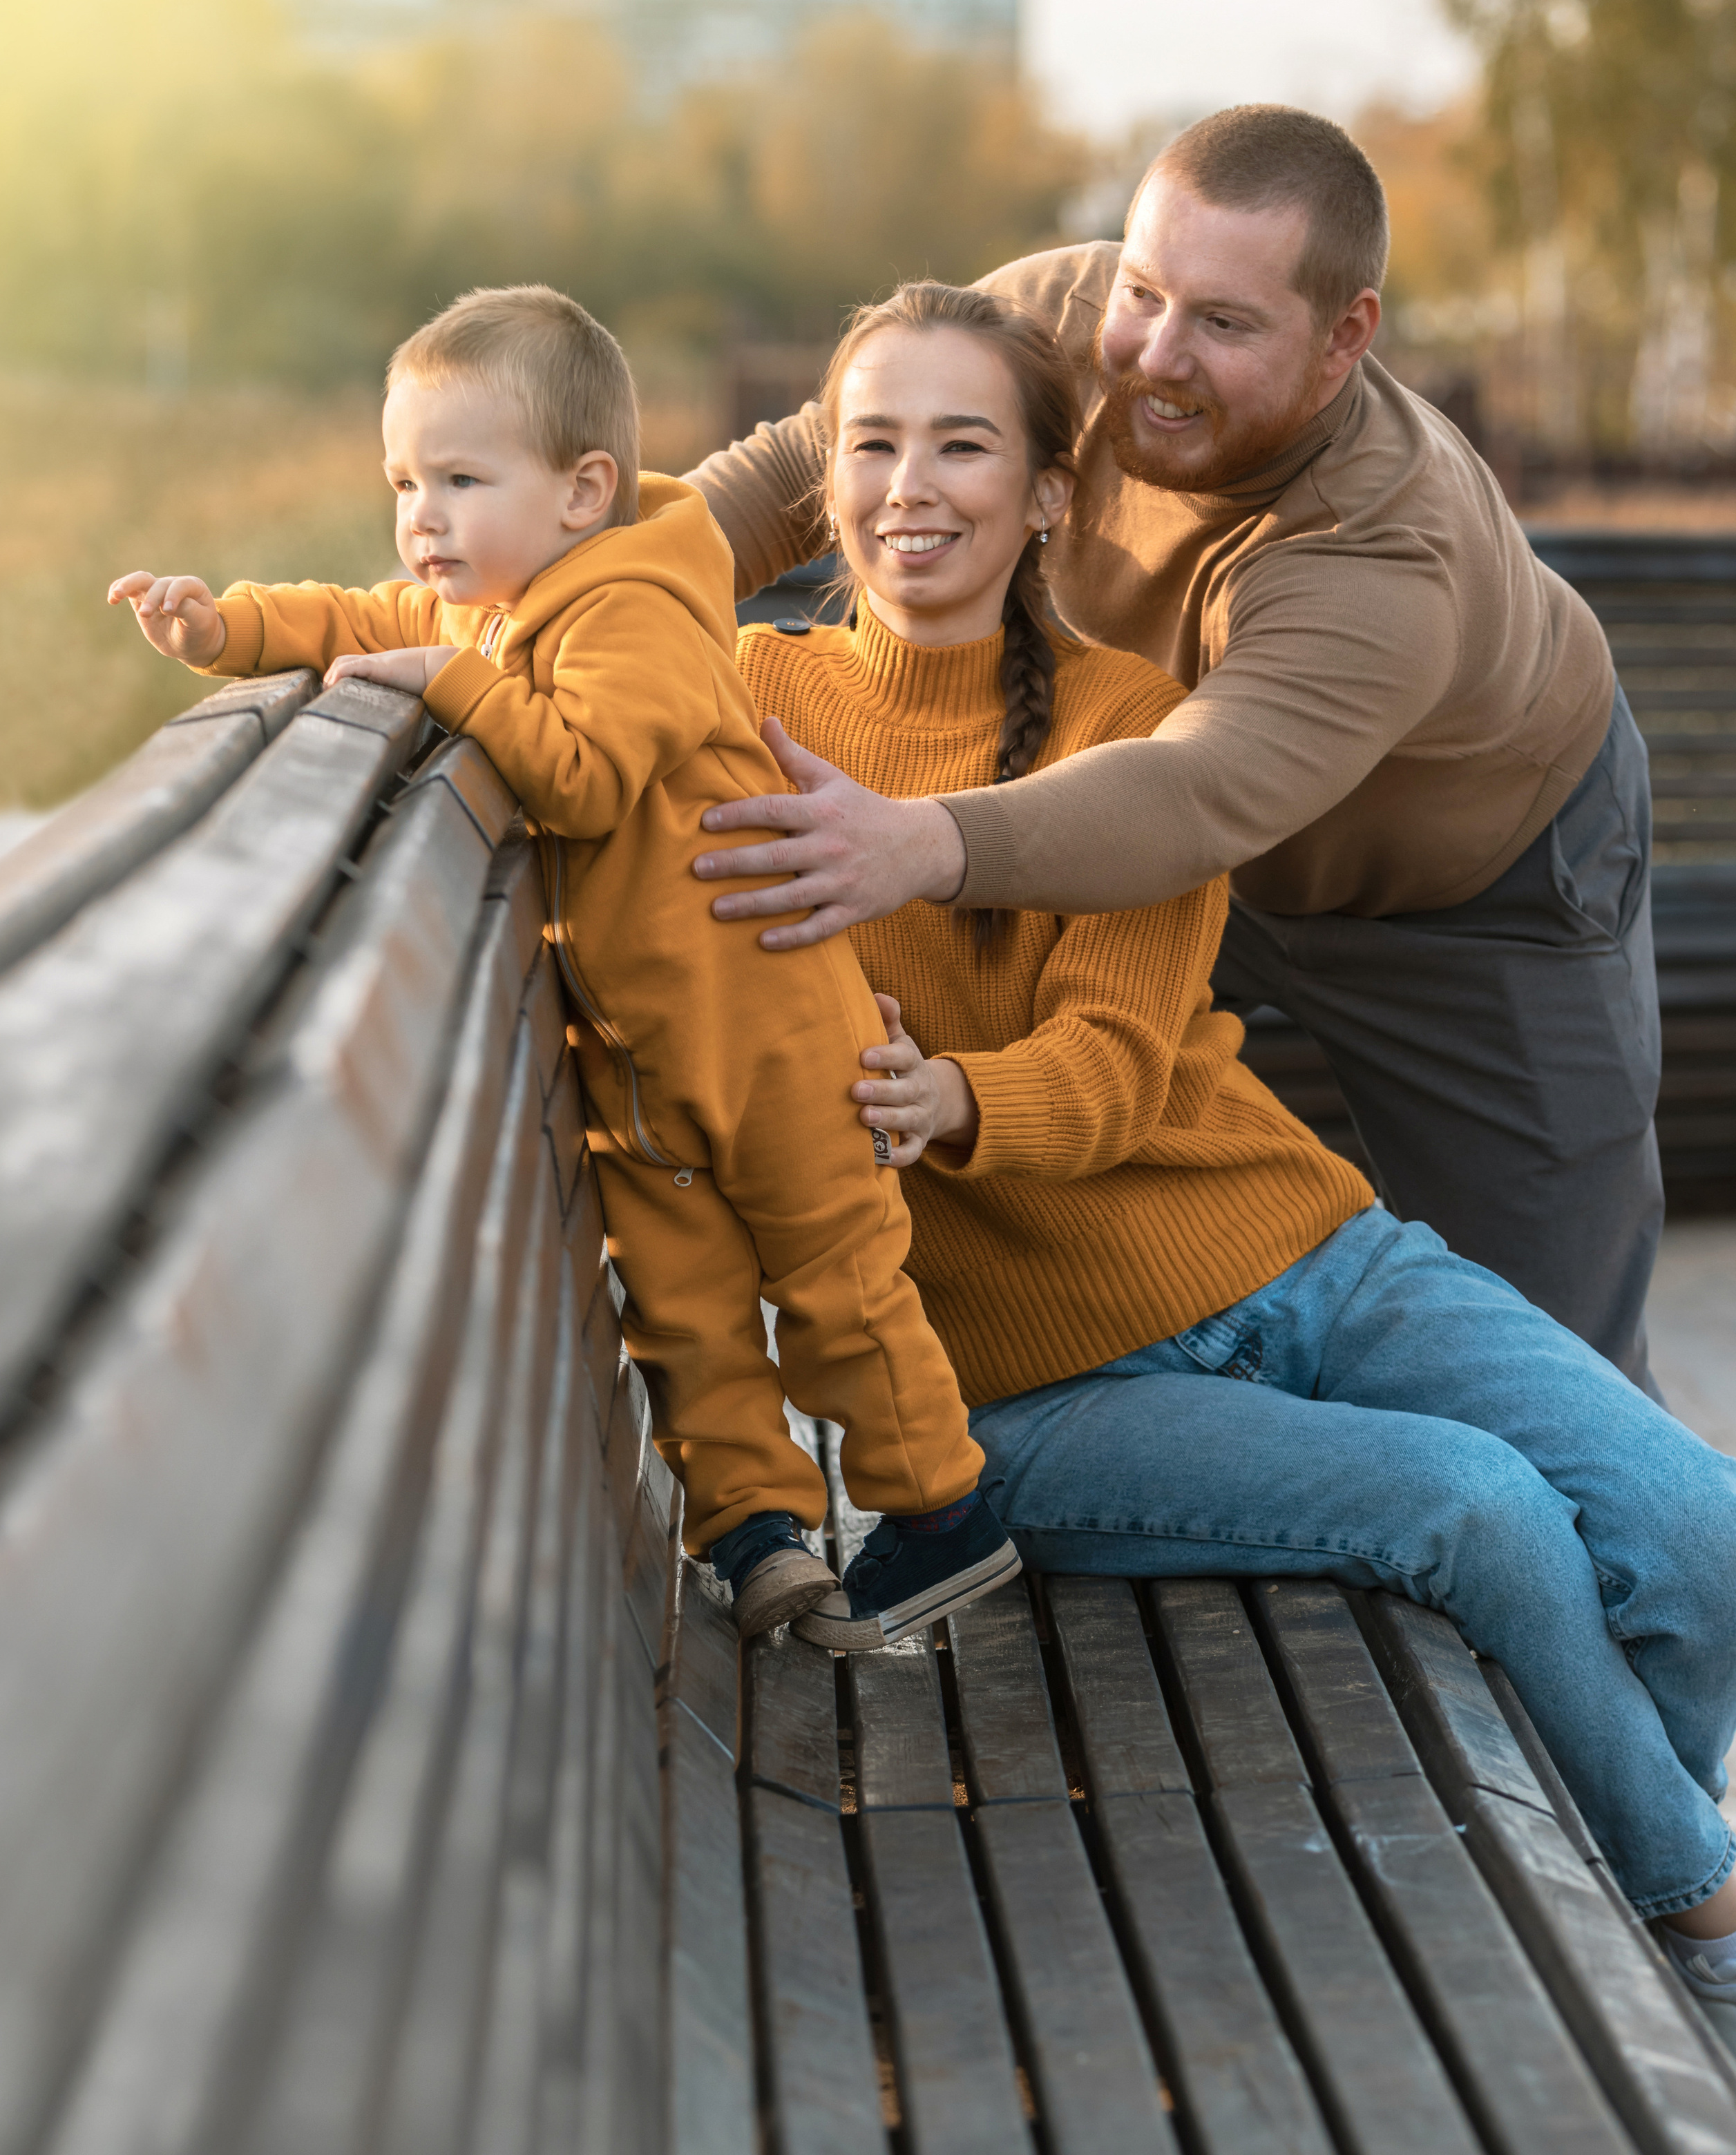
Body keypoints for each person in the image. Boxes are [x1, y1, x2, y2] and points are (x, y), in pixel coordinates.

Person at [742, 274, 1736, 1983]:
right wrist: (351, 631)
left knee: (1695, 1524)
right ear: (823, 476)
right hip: (1035, 1393)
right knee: (1479, 1513)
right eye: (871, 445)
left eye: (962, 446)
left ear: (1048, 494)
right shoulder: (742, 706)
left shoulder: (1134, 720)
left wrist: (955, 1098)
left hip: (1308, 1257)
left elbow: (1120, 1066)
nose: (909, 487)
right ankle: (1691, 1926)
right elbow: (551, 652)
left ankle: (1606, 1880)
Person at [688, 104, 1663, 1400]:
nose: (1153, 354)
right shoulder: (1054, 319)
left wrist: (921, 839)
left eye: (1225, 323)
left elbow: (1195, 788)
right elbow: (800, 468)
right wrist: (547, 608)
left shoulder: (1385, 544)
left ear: (1346, 338)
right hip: (1135, 837)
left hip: (1468, 895)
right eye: (1144, 290)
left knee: (1561, 1362)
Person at [107, 282, 1020, 1648]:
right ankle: (757, 1531)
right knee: (685, 1311)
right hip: (638, 1060)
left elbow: (583, 777)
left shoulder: (639, 611)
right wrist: (225, 626)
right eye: (404, 482)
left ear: (583, 490)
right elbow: (365, 617)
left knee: (837, 1287)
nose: (421, 518)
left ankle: (941, 1517)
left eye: (459, 481)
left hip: (773, 1032)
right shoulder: (498, 600)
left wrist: (448, 680)